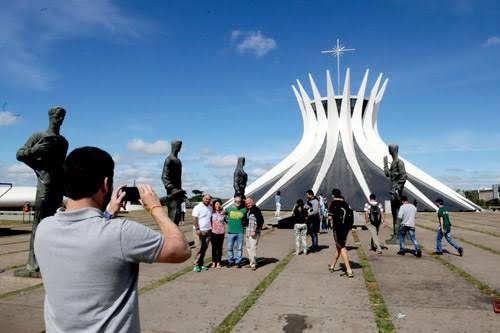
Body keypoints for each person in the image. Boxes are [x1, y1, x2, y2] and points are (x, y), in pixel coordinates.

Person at [34, 146, 190, 332]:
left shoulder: (45, 228)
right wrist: (155, 207)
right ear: (106, 184)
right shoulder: (121, 233)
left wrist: (108, 213)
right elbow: (181, 250)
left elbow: (91, 237)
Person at [15, 106, 68, 277]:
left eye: (62, 117)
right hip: (44, 186)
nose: (59, 119)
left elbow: (61, 166)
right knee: (39, 225)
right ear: (50, 117)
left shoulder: (63, 142)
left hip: (57, 187)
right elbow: (20, 154)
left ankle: (49, 264)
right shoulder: (38, 136)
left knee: (54, 226)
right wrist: (34, 151)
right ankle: (33, 265)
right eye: (57, 116)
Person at [328, 189, 354, 278]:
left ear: (333, 195)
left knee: (341, 247)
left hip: (337, 228)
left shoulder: (333, 203)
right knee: (339, 246)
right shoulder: (345, 203)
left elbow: (330, 217)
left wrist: (331, 222)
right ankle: (332, 266)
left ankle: (349, 270)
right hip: (346, 228)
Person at [192, 194, 213, 272]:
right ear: (203, 198)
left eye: (209, 199)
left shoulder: (210, 207)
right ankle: (195, 265)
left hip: (208, 230)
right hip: (199, 231)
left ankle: (201, 264)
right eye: (206, 199)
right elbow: (194, 218)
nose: (207, 200)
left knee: (204, 248)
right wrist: (197, 229)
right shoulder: (197, 207)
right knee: (199, 247)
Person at [225, 196, 247, 268]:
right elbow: (220, 213)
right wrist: (227, 222)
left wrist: (244, 200)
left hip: (240, 232)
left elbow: (252, 205)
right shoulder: (228, 209)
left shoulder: (244, 210)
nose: (237, 203)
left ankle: (238, 261)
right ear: (233, 202)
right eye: (236, 201)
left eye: (239, 201)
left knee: (239, 248)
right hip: (231, 232)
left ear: (241, 202)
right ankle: (230, 261)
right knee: (229, 248)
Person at [245, 198, 264, 270]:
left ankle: (253, 264)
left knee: (253, 248)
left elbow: (261, 221)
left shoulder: (256, 209)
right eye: (246, 204)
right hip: (248, 231)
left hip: (254, 232)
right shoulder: (248, 210)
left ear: (252, 202)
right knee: (248, 247)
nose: (248, 204)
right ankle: (252, 262)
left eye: (249, 203)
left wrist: (255, 230)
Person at [211, 199, 226, 268]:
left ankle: (219, 262)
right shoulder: (211, 212)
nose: (218, 205)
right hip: (213, 232)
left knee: (219, 248)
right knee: (214, 248)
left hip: (221, 232)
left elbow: (228, 220)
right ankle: (214, 262)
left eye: (219, 204)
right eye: (216, 204)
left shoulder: (223, 213)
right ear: (214, 205)